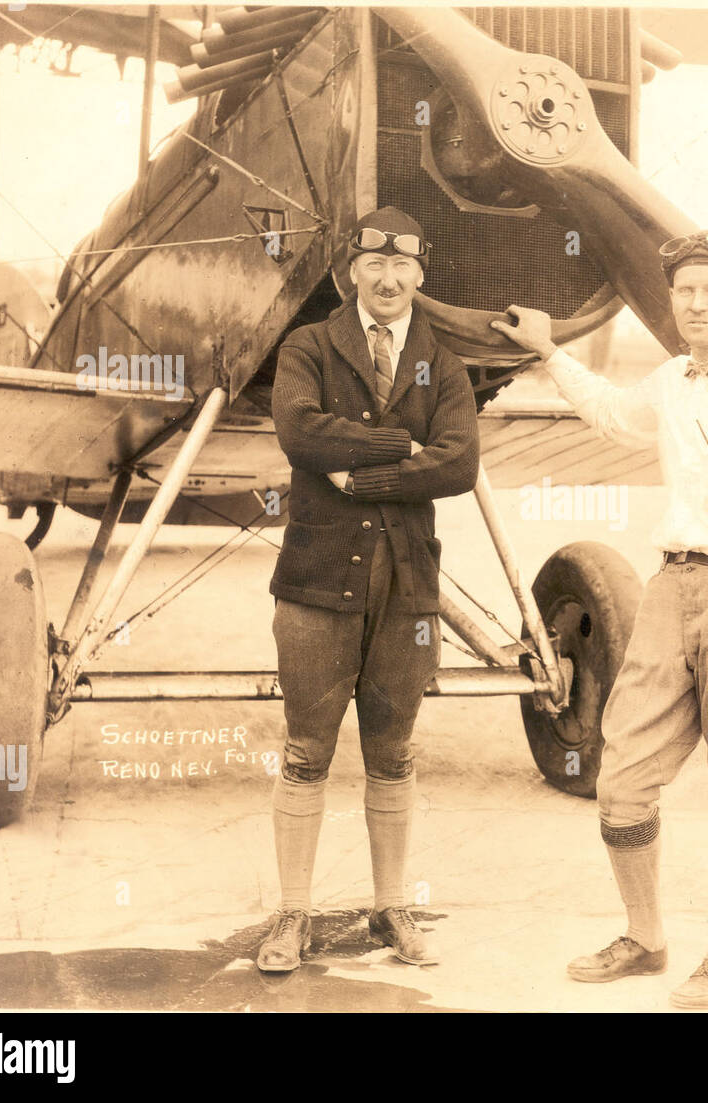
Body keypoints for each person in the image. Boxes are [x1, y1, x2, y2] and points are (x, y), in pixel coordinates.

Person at [492, 230, 708, 1009]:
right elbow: (616, 416)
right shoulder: (674, 381)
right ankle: (645, 937)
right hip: (668, 589)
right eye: (684, 290)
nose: (695, 302)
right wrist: (551, 353)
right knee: (619, 779)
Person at [259, 206, 479, 972]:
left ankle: (391, 909)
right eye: (374, 265)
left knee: (393, 753)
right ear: (352, 269)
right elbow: (299, 433)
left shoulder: (441, 362)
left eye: (404, 266)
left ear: (422, 272)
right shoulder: (309, 346)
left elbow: (459, 465)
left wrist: (360, 471)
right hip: (316, 581)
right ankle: (292, 915)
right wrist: (399, 444)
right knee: (306, 751)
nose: (388, 279)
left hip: (408, 590)